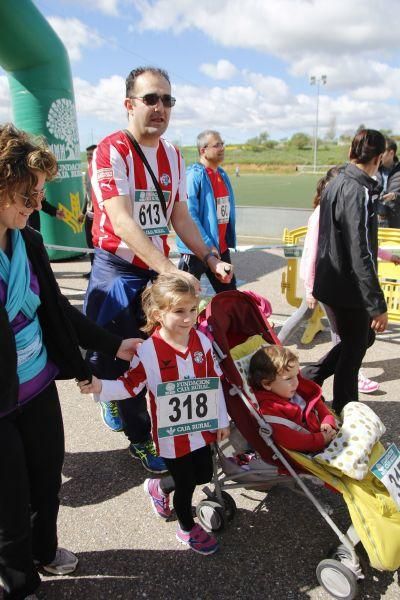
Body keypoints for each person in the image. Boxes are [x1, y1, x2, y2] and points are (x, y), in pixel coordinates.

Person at [0, 124, 139, 600]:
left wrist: (111, 343)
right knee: (9, 507)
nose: (36, 203)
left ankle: (43, 551)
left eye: (39, 192)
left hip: (36, 387)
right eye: (26, 192)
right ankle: (17, 583)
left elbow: (57, 310)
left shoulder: (28, 241)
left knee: (46, 483)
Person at [84, 66, 233, 473]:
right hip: (118, 268)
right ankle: (138, 437)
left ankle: (148, 423)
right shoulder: (111, 150)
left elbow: (180, 217)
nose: (160, 107)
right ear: (129, 104)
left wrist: (208, 256)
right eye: (151, 98)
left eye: (167, 100)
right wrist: (169, 270)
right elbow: (122, 221)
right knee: (117, 356)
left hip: (156, 271)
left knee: (158, 355)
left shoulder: (172, 155)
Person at [79, 274, 230, 555]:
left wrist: (222, 420)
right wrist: (99, 386)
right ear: (158, 314)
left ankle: (158, 487)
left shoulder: (203, 343)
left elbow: (214, 381)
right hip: (172, 436)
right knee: (186, 485)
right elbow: (129, 385)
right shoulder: (148, 351)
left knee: (203, 474)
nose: (188, 318)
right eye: (179, 311)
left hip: (202, 427)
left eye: (193, 310)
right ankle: (187, 529)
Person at [278, 167, 400, 394]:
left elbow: (362, 242)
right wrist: (310, 288)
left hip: (338, 285)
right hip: (328, 285)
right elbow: (314, 252)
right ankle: (344, 380)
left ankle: (313, 374)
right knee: (350, 339)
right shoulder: (322, 214)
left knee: (360, 338)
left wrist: (389, 256)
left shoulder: (345, 207)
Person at [303, 129, 388, 415]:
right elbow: (359, 251)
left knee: (359, 339)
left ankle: (309, 378)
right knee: (354, 353)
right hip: (347, 286)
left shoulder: (336, 181)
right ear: (377, 158)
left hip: (331, 282)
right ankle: (346, 410)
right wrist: (376, 304)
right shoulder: (359, 190)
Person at [176, 130, 237, 292]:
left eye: (222, 144)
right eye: (217, 145)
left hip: (220, 250)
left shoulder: (222, 175)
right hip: (196, 250)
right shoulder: (194, 175)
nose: (222, 148)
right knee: (185, 297)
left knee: (231, 297)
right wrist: (208, 244)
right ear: (203, 150)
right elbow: (189, 214)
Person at [248, 345, 337, 452]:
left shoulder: (295, 390)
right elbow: (293, 441)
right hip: (312, 448)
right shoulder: (269, 409)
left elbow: (319, 405)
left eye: (296, 375)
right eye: (289, 379)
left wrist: (327, 421)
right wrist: (321, 439)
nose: (296, 382)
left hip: (323, 434)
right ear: (267, 384)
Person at [78, 144, 97, 279]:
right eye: (88, 155)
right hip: (89, 213)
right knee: (89, 243)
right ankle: (93, 269)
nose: (90, 157)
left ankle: (100, 272)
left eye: (92, 154)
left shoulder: (101, 170)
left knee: (99, 245)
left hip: (99, 215)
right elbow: (87, 194)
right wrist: (83, 211)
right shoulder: (88, 171)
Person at [376, 138, 400, 228]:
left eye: (382, 152)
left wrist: (395, 196)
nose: (379, 155)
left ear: (391, 153)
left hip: (395, 223)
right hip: (376, 221)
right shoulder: (373, 169)